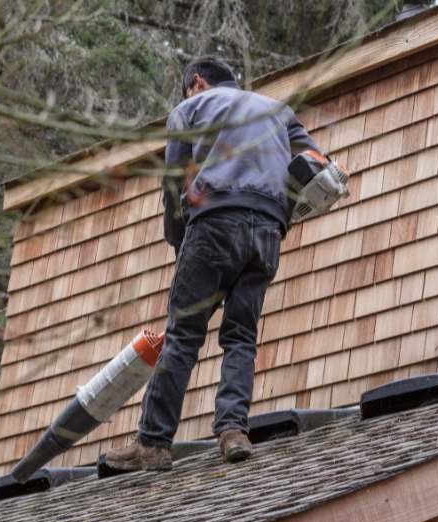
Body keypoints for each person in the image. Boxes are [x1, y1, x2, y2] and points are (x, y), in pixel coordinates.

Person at [104, 56, 323, 471]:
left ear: (197, 83)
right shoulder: (277, 110)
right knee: (241, 334)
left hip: (215, 223)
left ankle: (153, 443)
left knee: (184, 333)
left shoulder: (190, 109)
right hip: (268, 231)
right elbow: (314, 161)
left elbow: (175, 185)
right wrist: (282, 212)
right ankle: (233, 432)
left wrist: (178, 240)